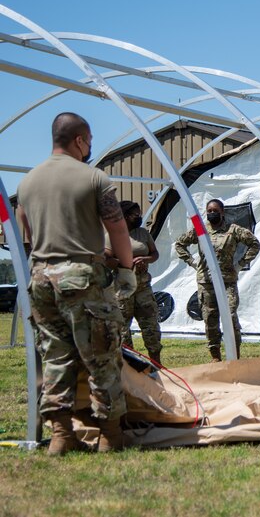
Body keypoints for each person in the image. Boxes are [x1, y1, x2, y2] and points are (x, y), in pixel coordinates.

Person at [17, 112, 137, 455]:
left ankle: (61, 436)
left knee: (55, 356)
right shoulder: (94, 177)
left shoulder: (27, 183)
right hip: (83, 280)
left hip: (41, 279)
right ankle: (110, 435)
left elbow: (29, 230)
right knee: (101, 356)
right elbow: (117, 227)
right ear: (80, 140)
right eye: (89, 142)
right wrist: (126, 269)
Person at [175, 199, 259, 362]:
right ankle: (215, 356)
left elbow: (254, 244)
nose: (211, 213)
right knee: (210, 318)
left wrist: (240, 264)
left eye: (215, 210)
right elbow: (180, 244)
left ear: (222, 212)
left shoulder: (233, 230)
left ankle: (234, 355)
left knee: (231, 315)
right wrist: (193, 262)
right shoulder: (201, 229)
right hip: (207, 282)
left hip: (227, 281)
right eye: (209, 211)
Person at [105, 201, 162, 364]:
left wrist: (146, 259)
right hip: (122, 289)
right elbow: (106, 259)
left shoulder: (143, 233)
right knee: (122, 331)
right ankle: (130, 367)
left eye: (139, 214)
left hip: (143, 288)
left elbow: (154, 253)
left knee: (151, 327)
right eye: (135, 215)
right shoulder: (112, 235)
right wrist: (124, 262)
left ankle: (157, 365)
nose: (139, 217)